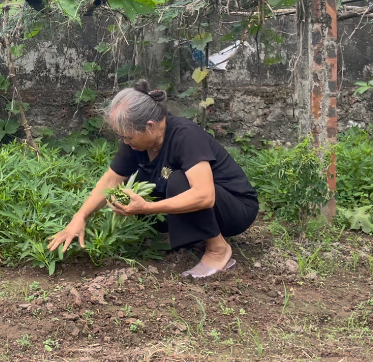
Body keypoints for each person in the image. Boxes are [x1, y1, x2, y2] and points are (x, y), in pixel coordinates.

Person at [47, 80, 259, 278]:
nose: (125, 142)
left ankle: (218, 248)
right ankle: (189, 236)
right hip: (205, 206)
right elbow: (111, 179)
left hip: (234, 208)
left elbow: (205, 196)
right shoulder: (135, 142)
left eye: (128, 137)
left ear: (149, 126)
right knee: (135, 187)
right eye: (122, 137)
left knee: (177, 180)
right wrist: (80, 217)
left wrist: (147, 207)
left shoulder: (185, 135)